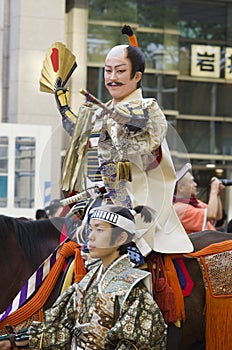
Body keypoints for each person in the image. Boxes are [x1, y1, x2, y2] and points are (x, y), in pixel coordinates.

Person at [55, 25, 193, 255]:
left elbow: (147, 126)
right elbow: (79, 131)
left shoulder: (148, 107)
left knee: (120, 241)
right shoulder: (101, 110)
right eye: (108, 71)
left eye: (120, 71)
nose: (112, 77)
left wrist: (127, 120)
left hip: (137, 195)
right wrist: (62, 103)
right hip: (104, 193)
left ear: (137, 76)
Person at [0, 204, 167, 349]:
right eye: (91, 229)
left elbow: (140, 343)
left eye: (99, 230)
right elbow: (61, 330)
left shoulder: (133, 291)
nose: (91, 237)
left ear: (121, 238)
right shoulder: (86, 282)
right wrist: (13, 341)